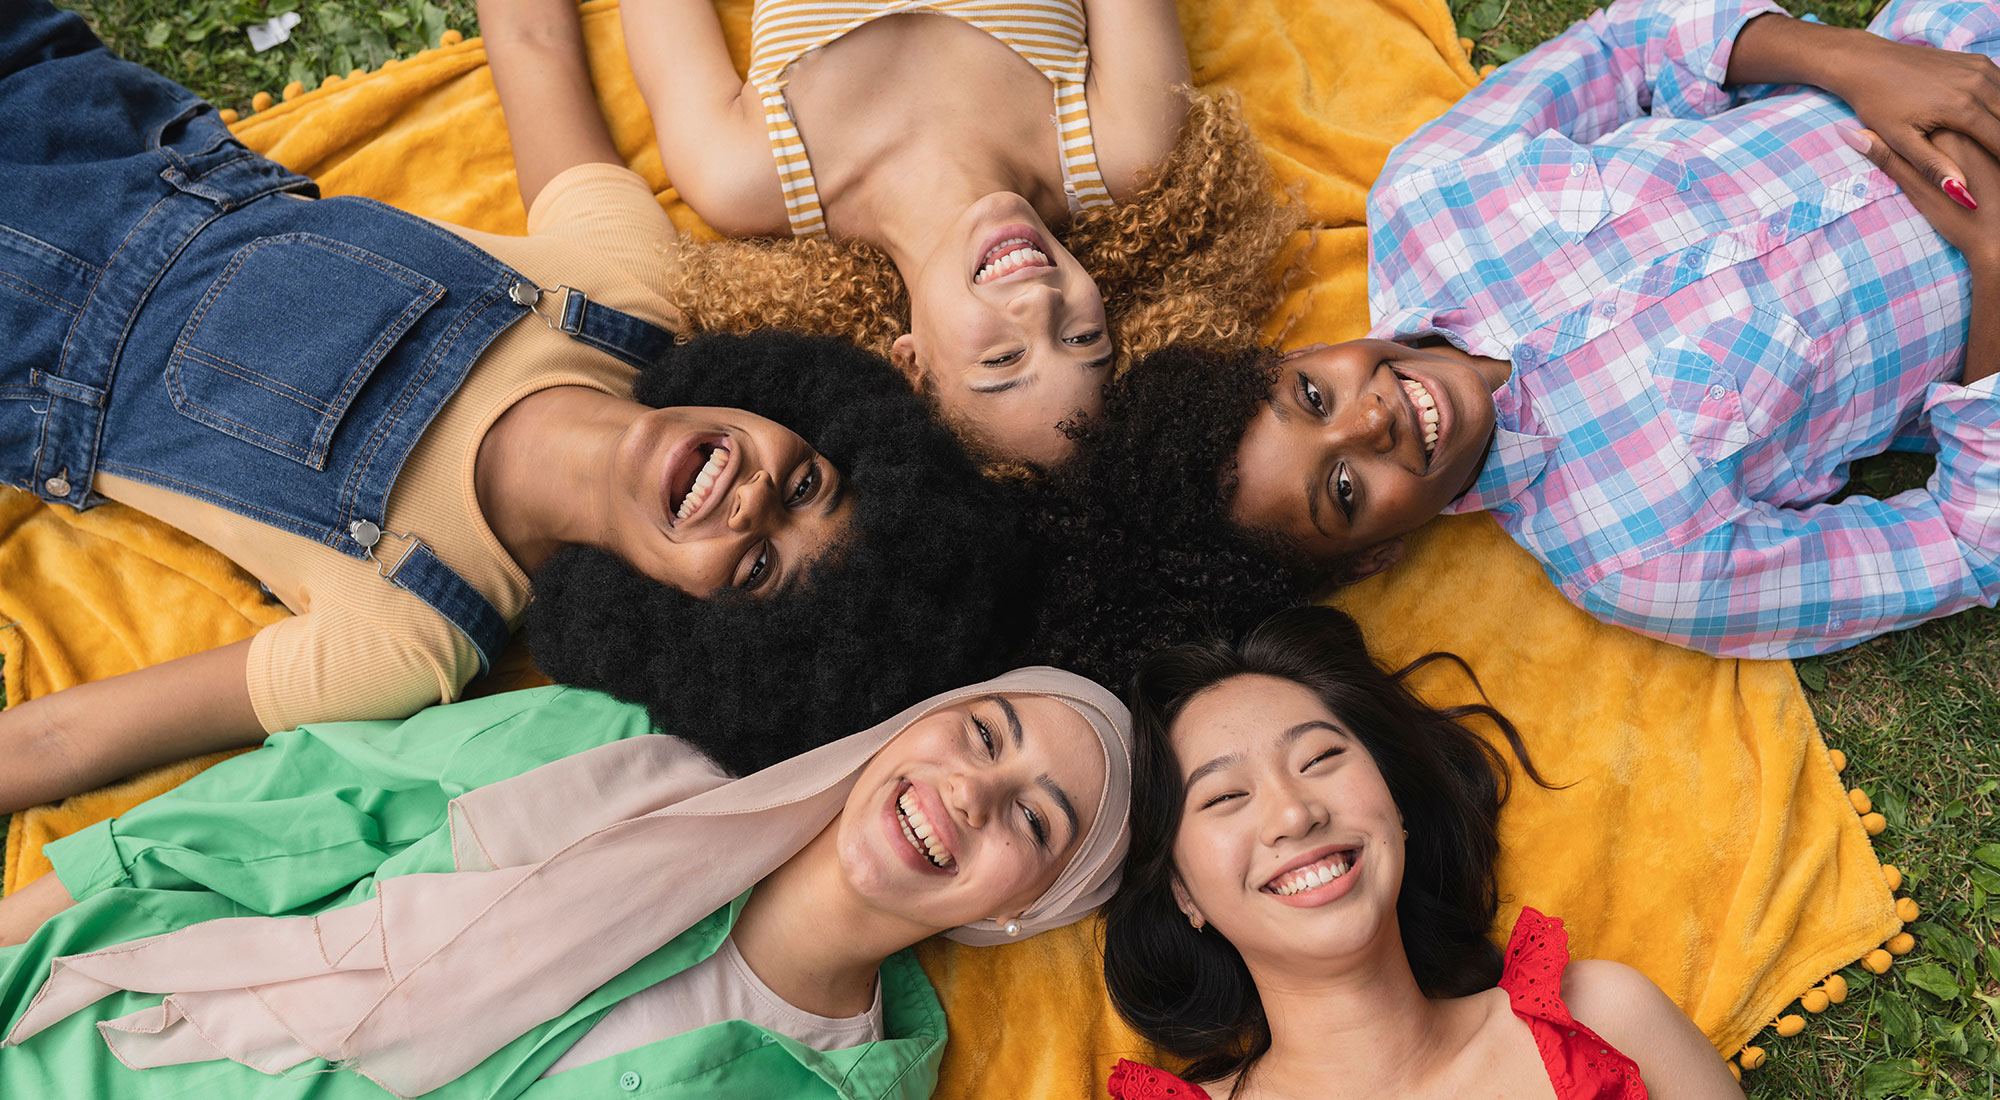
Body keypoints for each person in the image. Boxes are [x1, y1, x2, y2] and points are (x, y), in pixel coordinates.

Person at [0, 0, 1035, 811]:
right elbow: (535, 42)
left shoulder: (410, 627)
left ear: (691, 630)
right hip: (86, 124)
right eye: (809, 481)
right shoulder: (624, 298)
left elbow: (60, 738)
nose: (756, 498)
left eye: (760, 565)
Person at [1075, 0, 2000, 658]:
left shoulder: (1435, 192)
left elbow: (1626, 46)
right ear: (1376, 555)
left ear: (1298, 355)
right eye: (1345, 491)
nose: (1369, 422)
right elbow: (1966, 542)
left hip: (1955, 47)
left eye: (1311, 398)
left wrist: (1861, 64)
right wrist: (1994, 264)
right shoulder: (1643, 558)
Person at [0, 667, 1132, 1099]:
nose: (974, 791)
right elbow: (276, 808)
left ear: (1016, 909)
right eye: (984, 731)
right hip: (65, 1026)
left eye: (1036, 817)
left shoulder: (841, 1091)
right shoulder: (599, 751)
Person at [505, 0, 1296, 465]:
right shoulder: (1121, 146)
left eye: (1002, 358)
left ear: (912, 365)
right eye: (1085, 335)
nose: (1039, 305)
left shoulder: (745, 174)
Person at [1098, 606, 1744, 1099]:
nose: (1295, 813)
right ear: (1184, 893)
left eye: (1320, 758)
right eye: (1224, 797)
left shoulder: (1605, 1017)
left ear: (1397, 808)